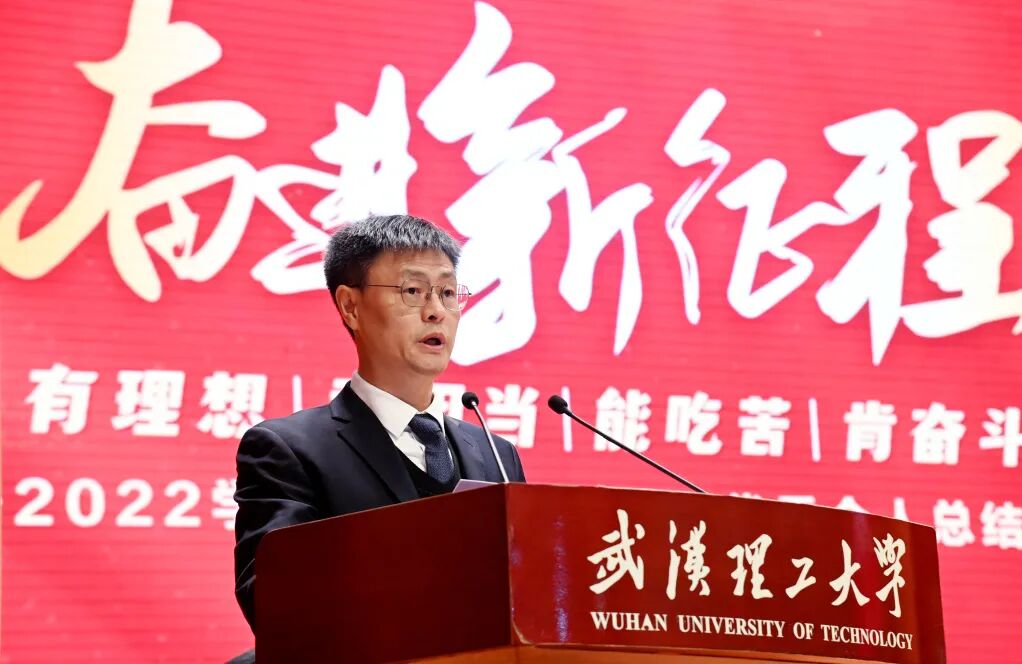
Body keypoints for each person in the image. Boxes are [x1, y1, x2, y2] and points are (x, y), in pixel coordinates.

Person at [232, 214, 526, 632]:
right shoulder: (289, 450)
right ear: (350, 307)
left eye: (447, 292)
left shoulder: (497, 455)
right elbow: (273, 599)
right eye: (413, 291)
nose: (436, 312)